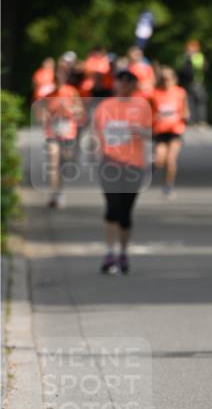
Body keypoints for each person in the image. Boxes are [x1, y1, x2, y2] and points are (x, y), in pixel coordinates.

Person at [93, 70, 151, 274]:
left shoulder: (142, 106)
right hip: (109, 163)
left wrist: (138, 131)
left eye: (128, 82)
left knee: (126, 212)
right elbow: (96, 132)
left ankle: (123, 253)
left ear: (134, 86)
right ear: (115, 84)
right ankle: (110, 252)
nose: (124, 85)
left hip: (133, 165)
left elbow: (150, 131)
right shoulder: (104, 106)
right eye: (120, 81)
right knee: (112, 208)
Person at [41, 61, 85, 208]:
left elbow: (80, 111)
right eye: (56, 77)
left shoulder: (72, 91)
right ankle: (54, 194)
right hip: (52, 131)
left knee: (64, 162)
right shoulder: (48, 95)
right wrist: (47, 116)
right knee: (53, 163)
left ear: (65, 78)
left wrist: (70, 109)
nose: (59, 80)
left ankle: (59, 190)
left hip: (68, 130)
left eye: (61, 77)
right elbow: (41, 113)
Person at [149, 67, 189, 197]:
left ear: (174, 79)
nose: (166, 81)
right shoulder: (154, 93)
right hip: (160, 131)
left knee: (171, 160)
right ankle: (147, 172)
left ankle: (168, 186)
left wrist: (185, 118)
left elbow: (185, 110)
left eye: (168, 79)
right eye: (163, 79)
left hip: (175, 130)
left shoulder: (180, 92)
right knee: (159, 160)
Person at [180, 40, 208, 125]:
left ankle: (201, 120)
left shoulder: (199, 56)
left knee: (200, 102)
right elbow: (182, 69)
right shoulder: (184, 57)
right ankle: (192, 121)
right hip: (188, 83)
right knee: (190, 102)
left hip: (197, 82)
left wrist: (190, 58)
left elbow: (201, 67)